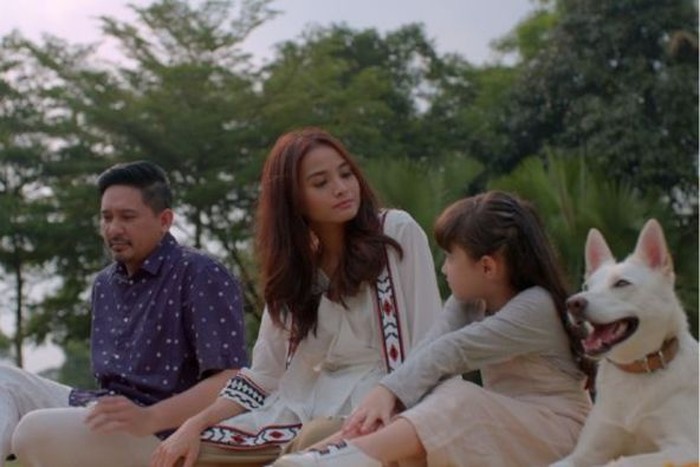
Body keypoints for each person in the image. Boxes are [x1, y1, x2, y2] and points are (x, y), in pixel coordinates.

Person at [149, 127, 442, 467]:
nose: (341, 188)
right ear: (293, 199)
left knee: (314, 441)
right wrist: (195, 424)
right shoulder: (297, 271)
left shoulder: (395, 231)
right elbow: (265, 375)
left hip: (380, 408)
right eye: (321, 182)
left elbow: (429, 341)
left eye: (346, 174)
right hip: (301, 409)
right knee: (188, 454)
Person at [272, 190, 594, 467]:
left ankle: (340, 459)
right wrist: (385, 401)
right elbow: (428, 348)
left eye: (451, 257)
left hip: (560, 434)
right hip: (507, 430)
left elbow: (451, 351)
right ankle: (323, 456)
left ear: (487, 266)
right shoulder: (470, 301)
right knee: (419, 401)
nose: (444, 268)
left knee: (458, 397)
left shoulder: (537, 306)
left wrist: (386, 391)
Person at [8, 160, 247, 466]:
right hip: (108, 412)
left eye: (127, 217)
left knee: (33, 430)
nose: (113, 229)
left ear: (165, 220)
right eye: (106, 217)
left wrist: (150, 417)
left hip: (165, 433)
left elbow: (230, 380)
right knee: (5, 380)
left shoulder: (201, 273)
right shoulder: (104, 284)